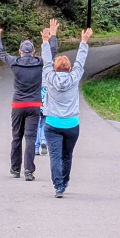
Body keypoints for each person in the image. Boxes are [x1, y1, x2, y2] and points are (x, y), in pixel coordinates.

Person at [0, 18, 58, 180]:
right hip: (34, 105)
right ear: (34, 51)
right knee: (30, 138)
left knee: (16, 137)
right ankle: (28, 171)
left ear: (20, 51)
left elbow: (1, 52)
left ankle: (15, 169)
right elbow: (52, 53)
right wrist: (52, 36)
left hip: (18, 105)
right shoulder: (39, 63)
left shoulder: (15, 62)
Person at [41, 23, 92, 197]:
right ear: (69, 69)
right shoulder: (74, 77)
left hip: (52, 122)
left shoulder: (49, 76)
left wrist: (45, 41)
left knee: (55, 156)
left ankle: (58, 186)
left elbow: (46, 61)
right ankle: (65, 180)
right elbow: (80, 61)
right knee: (67, 155)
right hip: (71, 123)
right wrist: (84, 41)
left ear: (54, 68)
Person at [35, 85, 49, 156]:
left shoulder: (35, 78)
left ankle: (36, 148)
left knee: (35, 124)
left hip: (36, 101)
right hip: (46, 101)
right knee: (44, 123)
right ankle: (43, 141)